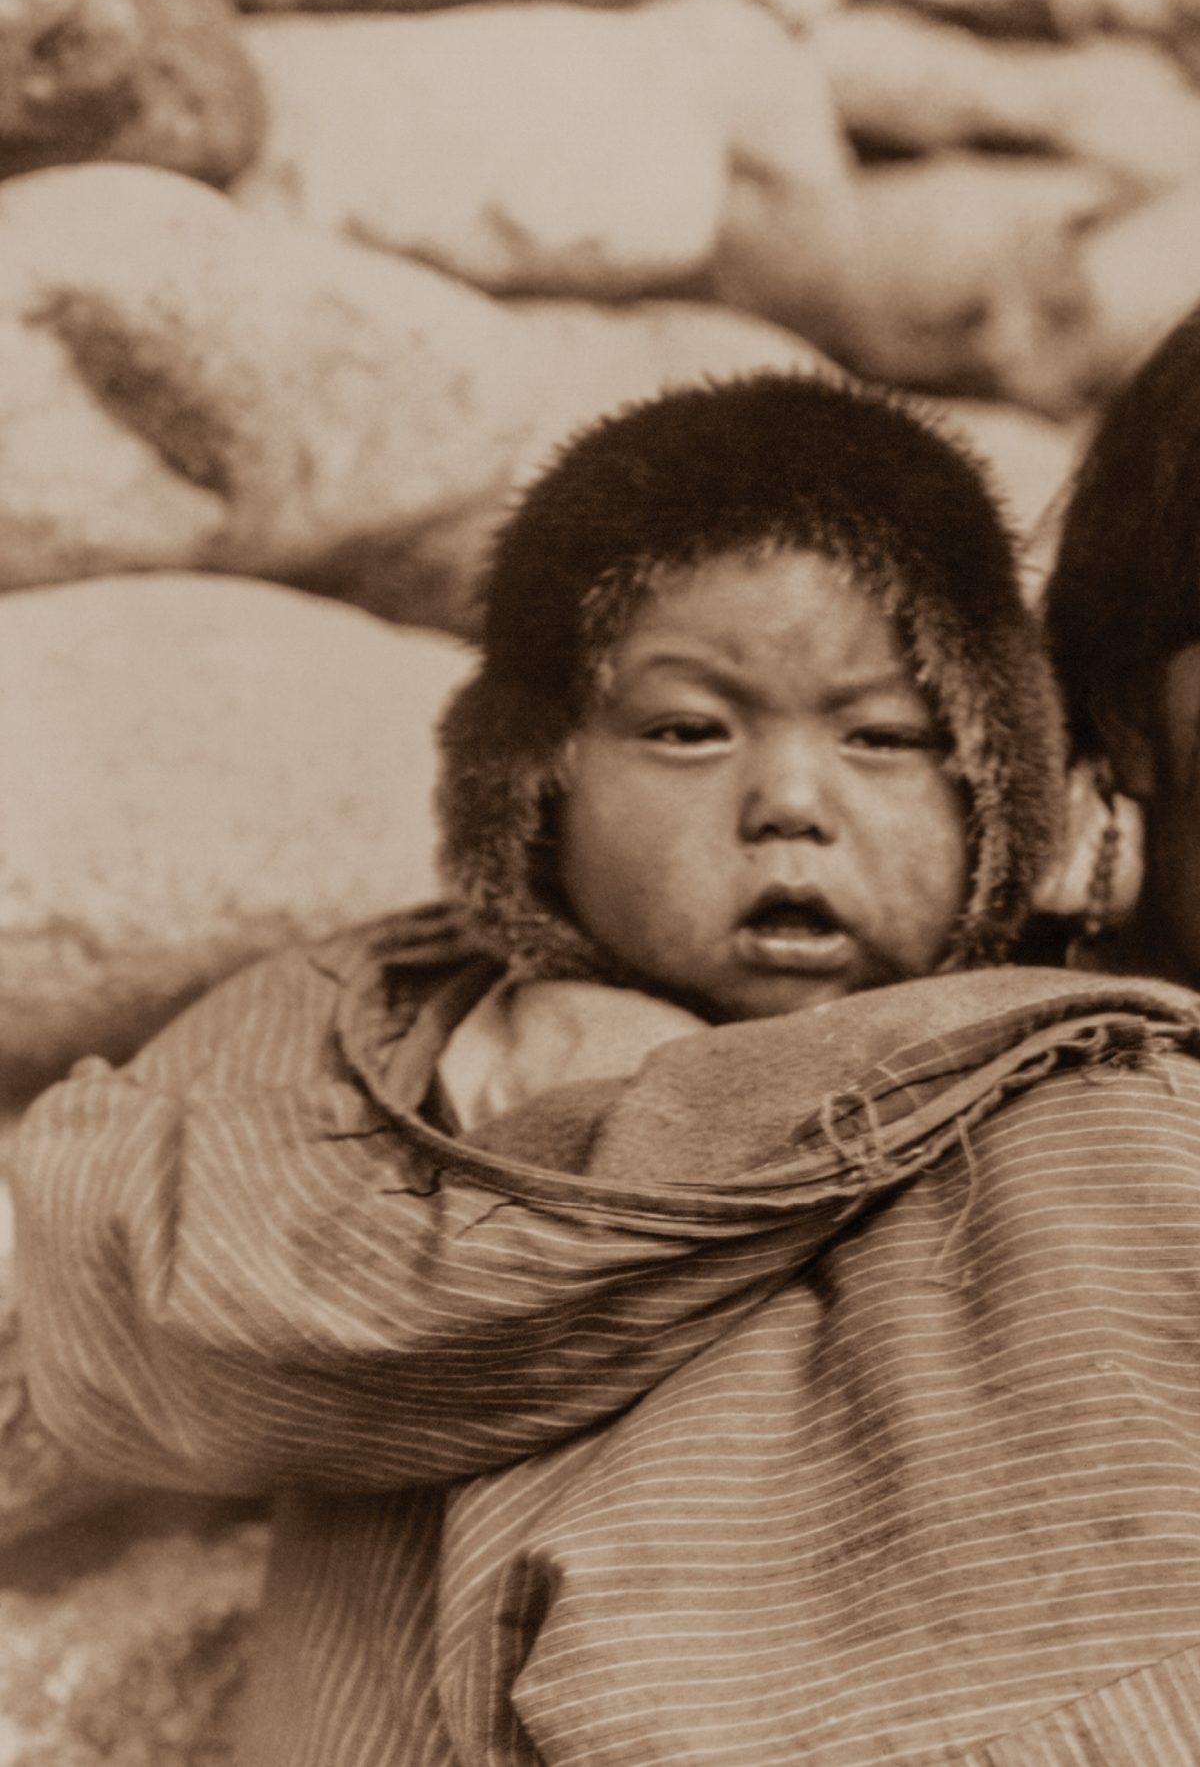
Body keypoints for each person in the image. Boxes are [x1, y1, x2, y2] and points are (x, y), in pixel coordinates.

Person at [8, 371, 1067, 1762]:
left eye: (884, 738)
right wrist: (558, 1130)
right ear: (537, 785)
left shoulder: (1066, 1085)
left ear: (996, 784)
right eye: (691, 729)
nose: (792, 806)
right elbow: (141, 1284)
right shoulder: (375, 1036)